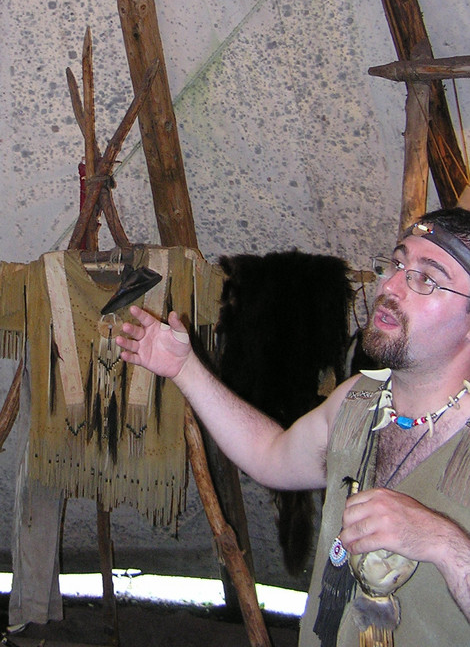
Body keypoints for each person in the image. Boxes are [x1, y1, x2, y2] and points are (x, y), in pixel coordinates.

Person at [116, 208, 470, 646]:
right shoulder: (358, 400)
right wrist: (185, 368)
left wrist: (444, 542)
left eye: (426, 279)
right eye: (397, 264)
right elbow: (271, 455)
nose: (391, 287)